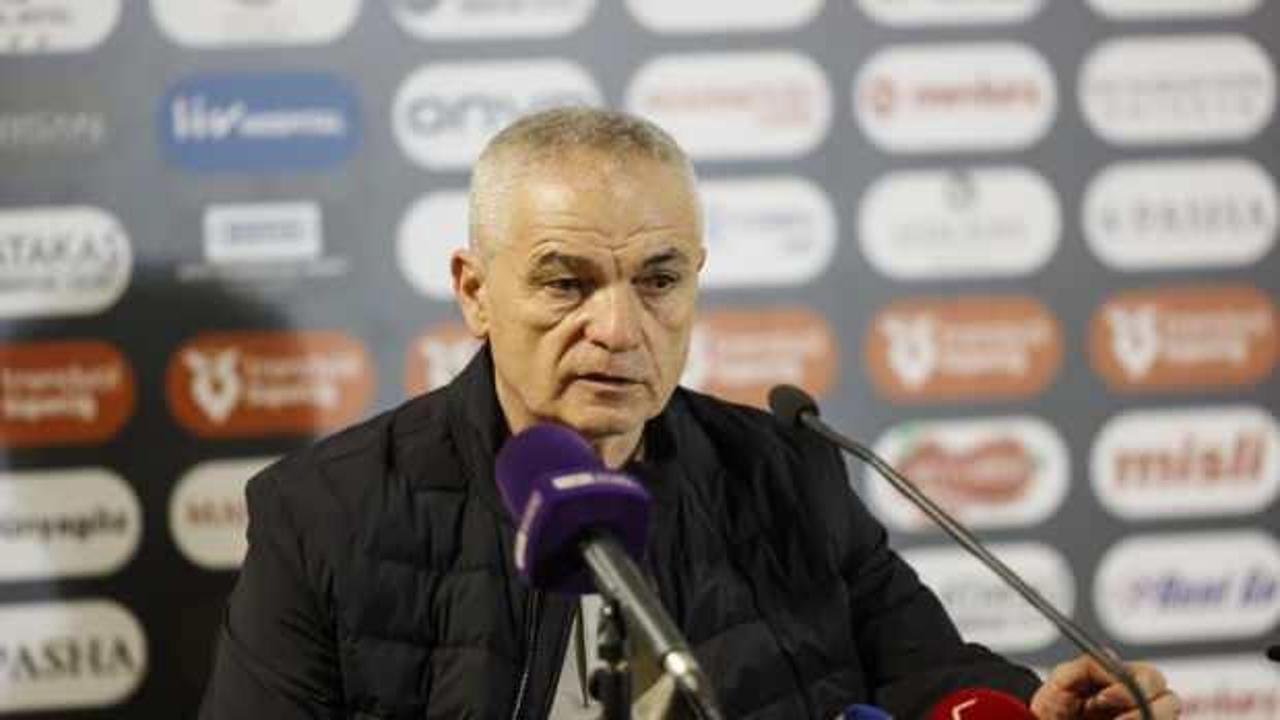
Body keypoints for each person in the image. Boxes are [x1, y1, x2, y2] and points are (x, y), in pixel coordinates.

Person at [198, 108, 1180, 719]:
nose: (618, 328)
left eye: (659, 280)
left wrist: (1027, 711)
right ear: (474, 291)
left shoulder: (784, 471)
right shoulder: (325, 512)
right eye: (565, 283)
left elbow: (927, 675)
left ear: (696, 280)